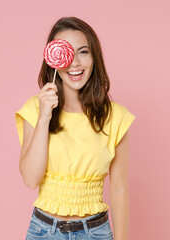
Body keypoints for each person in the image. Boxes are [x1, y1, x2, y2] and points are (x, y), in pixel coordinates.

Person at [15, 16, 136, 240]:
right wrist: (44, 117)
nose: (75, 63)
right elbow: (31, 179)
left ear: (94, 57)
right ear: (53, 60)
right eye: (67, 53)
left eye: (83, 52)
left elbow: (119, 189)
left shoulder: (116, 117)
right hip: (44, 232)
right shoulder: (35, 109)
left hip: (96, 232)